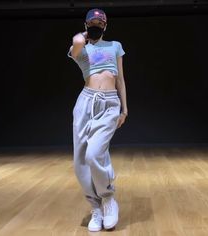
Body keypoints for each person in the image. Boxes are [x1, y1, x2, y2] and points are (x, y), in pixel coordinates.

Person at [67, 8, 128, 232]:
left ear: (105, 25)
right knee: (80, 160)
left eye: (100, 23)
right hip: (85, 103)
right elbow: (75, 46)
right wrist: (82, 36)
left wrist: (124, 109)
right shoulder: (81, 48)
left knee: (94, 153)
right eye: (92, 22)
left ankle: (108, 198)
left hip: (109, 103)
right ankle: (95, 208)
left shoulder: (115, 46)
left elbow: (120, 79)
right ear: (85, 25)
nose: (96, 25)